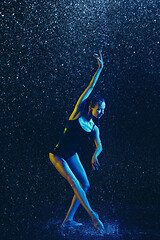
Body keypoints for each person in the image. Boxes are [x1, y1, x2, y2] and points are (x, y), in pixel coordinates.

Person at [49, 51, 106, 230]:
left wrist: (95, 155)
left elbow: (100, 145)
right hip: (58, 155)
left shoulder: (94, 128)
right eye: (99, 109)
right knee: (74, 182)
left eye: (104, 109)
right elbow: (89, 87)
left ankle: (68, 220)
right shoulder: (78, 113)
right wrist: (100, 68)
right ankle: (93, 216)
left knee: (85, 183)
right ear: (91, 107)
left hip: (71, 155)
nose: (102, 112)